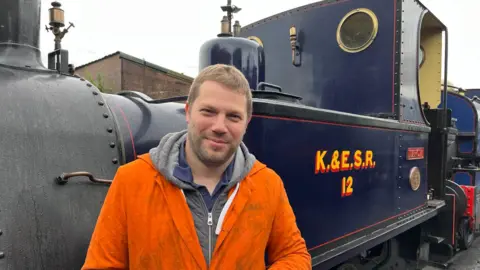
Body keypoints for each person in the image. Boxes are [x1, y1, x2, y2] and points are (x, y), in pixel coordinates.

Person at [81, 64, 312, 269]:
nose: (219, 126)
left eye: (233, 116)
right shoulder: (132, 180)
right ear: (189, 112)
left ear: (246, 122)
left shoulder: (268, 183)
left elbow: (294, 254)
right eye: (209, 112)